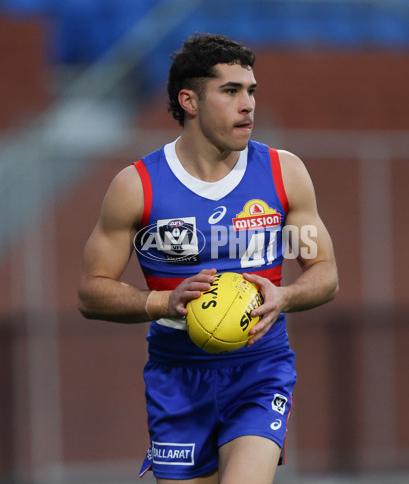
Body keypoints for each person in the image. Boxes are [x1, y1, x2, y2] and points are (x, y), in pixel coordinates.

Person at [77, 32, 339, 484]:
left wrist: (286, 297)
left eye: (251, 91)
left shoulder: (284, 173)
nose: (248, 105)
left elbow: (325, 273)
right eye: (231, 91)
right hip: (176, 378)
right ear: (189, 101)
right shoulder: (137, 186)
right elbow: (90, 291)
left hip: (260, 369)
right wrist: (161, 303)